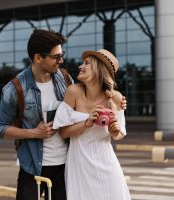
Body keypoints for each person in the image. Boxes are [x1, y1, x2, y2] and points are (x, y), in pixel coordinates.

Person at [0, 29, 127, 200]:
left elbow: (89, 101)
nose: (61, 60)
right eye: (56, 57)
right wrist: (34, 133)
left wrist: (118, 102)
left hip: (67, 165)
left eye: (61, 54)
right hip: (33, 165)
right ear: (38, 58)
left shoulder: (64, 79)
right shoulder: (15, 89)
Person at [53, 49, 131, 200]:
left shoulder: (115, 98)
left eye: (87, 63)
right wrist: (87, 123)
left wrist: (114, 130)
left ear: (99, 69)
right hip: (79, 164)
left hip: (107, 163)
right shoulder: (73, 92)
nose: (80, 66)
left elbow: (119, 135)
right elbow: (63, 132)